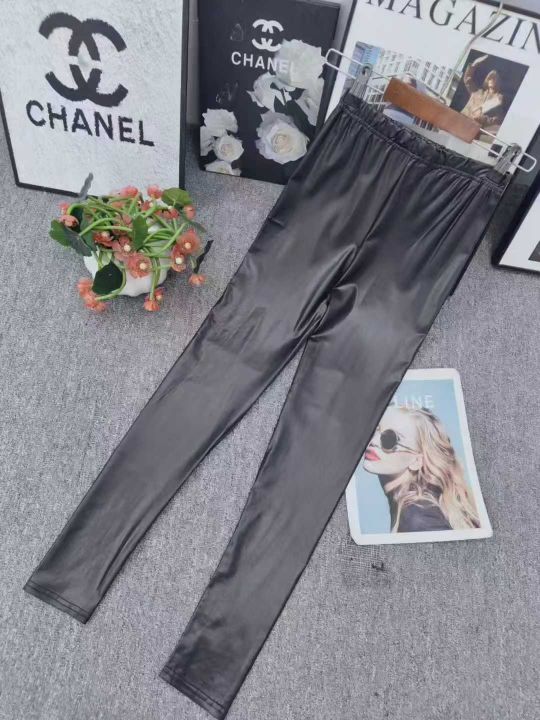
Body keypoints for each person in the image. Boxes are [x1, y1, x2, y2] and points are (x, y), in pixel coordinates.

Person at [362, 405, 480, 533]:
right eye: (374, 429)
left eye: (389, 438)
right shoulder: (415, 508)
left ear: (416, 461)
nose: (373, 441)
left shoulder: (418, 517)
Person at [461, 55, 505, 131]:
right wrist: (474, 64)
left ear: (498, 82)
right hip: (461, 120)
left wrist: (484, 119)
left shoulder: (498, 98)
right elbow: (467, 80)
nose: (492, 80)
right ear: (487, 80)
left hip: (473, 128)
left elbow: (498, 119)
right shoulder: (477, 92)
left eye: (494, 78)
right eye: (490, 78)